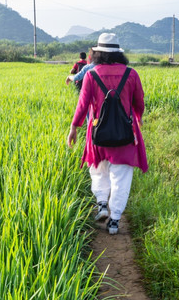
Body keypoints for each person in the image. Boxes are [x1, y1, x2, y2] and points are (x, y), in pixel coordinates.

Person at [67, 33, 148, 235]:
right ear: (119, 54)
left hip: (98, 133)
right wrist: (137, 118)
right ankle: (115, 220)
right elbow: (139, 103)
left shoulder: (91, 75)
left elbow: (82, 105)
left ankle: (102, 204)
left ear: (97, 54)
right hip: (125, 134)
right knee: (121, 177)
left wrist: (74, 127)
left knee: (98, 170)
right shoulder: (132, 74)